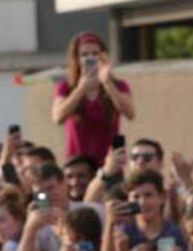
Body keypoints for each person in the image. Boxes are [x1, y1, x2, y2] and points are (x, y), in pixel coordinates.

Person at [51, 31, 135, 166]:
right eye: (84, 55)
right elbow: (58, 117)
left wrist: (107, 82)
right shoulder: (66, 87)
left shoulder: (119, 85)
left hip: (109, 164)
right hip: (78, 164)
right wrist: (81, 89)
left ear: (103, 57)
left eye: (95, 54)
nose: (90, 58)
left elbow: (130, 113)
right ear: (77, 59)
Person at [101, 170, 188, 251]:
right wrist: (110, 224)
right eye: (136, 197)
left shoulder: (170, 233)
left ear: (161, 197)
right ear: (128, 199)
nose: (142, 202)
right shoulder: (124, 231)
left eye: (148, 195)